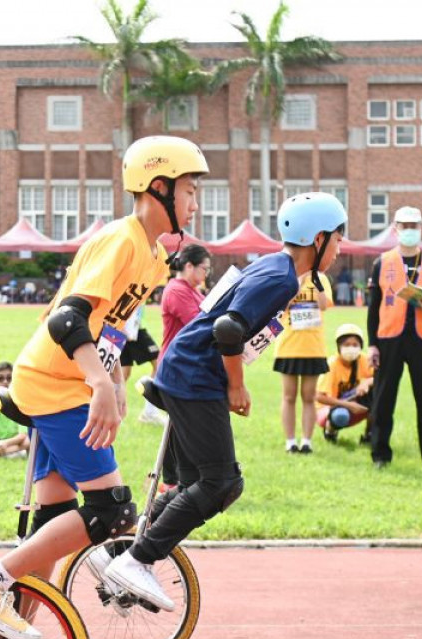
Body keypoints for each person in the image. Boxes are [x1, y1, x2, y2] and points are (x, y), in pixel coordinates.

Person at [0, 135, 207, 639]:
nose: (195, 202)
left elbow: (109, 329)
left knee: (52, 526)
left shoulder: (153, 252)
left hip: (64, 382)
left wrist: (115, 376)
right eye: (189, 190)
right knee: (112, 511)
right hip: (56, 383)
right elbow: (69, 320)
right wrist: (98, 384)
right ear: (157, 187)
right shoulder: (120, 240)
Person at [121, 192, 346, 607]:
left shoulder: (276, 268)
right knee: (221, 483)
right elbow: (227, 328)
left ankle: (134, 545)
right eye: (338, 238)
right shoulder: (280, 278)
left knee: (194, 485)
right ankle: (138, 558)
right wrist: (236, 386)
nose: (339, 248)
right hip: (194, 377)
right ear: (318, 239)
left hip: (187, 371)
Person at [366, 205, 422, 469]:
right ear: (396, 228)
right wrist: (372, 345)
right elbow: (373, 308)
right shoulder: (382, 262)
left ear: (420, 228)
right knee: (383, 399)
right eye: (405, 226)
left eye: (414, 226)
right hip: (389, 338)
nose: (410, 231)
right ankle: (380, 454)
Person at [157, 243, 211, 486]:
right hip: (176, 365)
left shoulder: (193, 290)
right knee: (177, 425)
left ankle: (181, 476)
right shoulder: (177, 290)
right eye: (204, 268)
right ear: (189, 266)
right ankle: (170, 479)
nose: (206, 274)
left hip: (188, 365)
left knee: (183, 424)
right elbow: (198, 322)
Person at [273, 259, 333, 454]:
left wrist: (315, 280)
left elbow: (324, 305)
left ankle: (306, 441)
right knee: (289, 396)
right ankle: (290, 442)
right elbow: (280, 306)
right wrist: (297, 284)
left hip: (313, 347)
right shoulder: (287, 279)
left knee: (309, 396)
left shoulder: (321, 278)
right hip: (288, 346)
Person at [317, 323, 373, 443]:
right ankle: (330, 431)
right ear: (339, 346)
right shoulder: (331, 364)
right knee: (340, 416)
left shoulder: (364, 360)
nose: (351, 348)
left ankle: (370, 434)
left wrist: (367, 382)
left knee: (379, 398)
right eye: (347, 344)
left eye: (355, 345)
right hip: (330, 408)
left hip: (355, 404)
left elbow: (381, 378)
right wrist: (348, 405)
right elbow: (318, 396)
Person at [119, 305, 165, 425]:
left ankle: (114, 413)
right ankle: (149, 413)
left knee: (122, 374)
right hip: (126, 329)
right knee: (159, 364)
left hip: (131, 328)